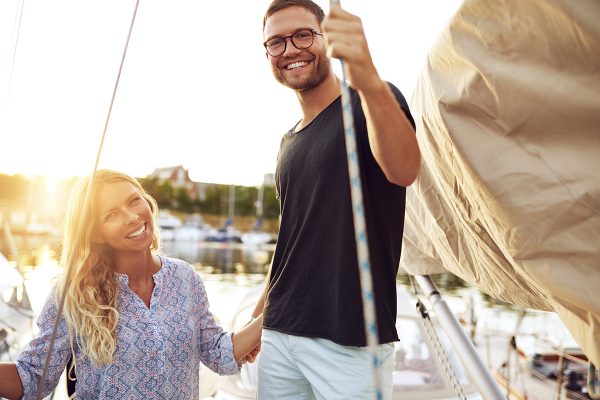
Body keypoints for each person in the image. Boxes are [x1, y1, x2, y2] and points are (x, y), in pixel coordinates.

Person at [251, 1, 420, 399]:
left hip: (350, 340)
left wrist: (367, 76)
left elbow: (405, 169)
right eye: (276, 42)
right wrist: (260, 318)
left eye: (303, 35)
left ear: (328, 37)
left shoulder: (370, 102)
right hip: (280, 332)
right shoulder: (288, 141)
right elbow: (290, 238)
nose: (290, 49)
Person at [0, 169, 263, 399]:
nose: (132, 217)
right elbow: (33, 378)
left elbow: (219, 354)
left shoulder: (185, 278)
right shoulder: (72, 293)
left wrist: (275, 313)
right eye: (112, 214)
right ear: (95, 233)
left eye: (134, 200)